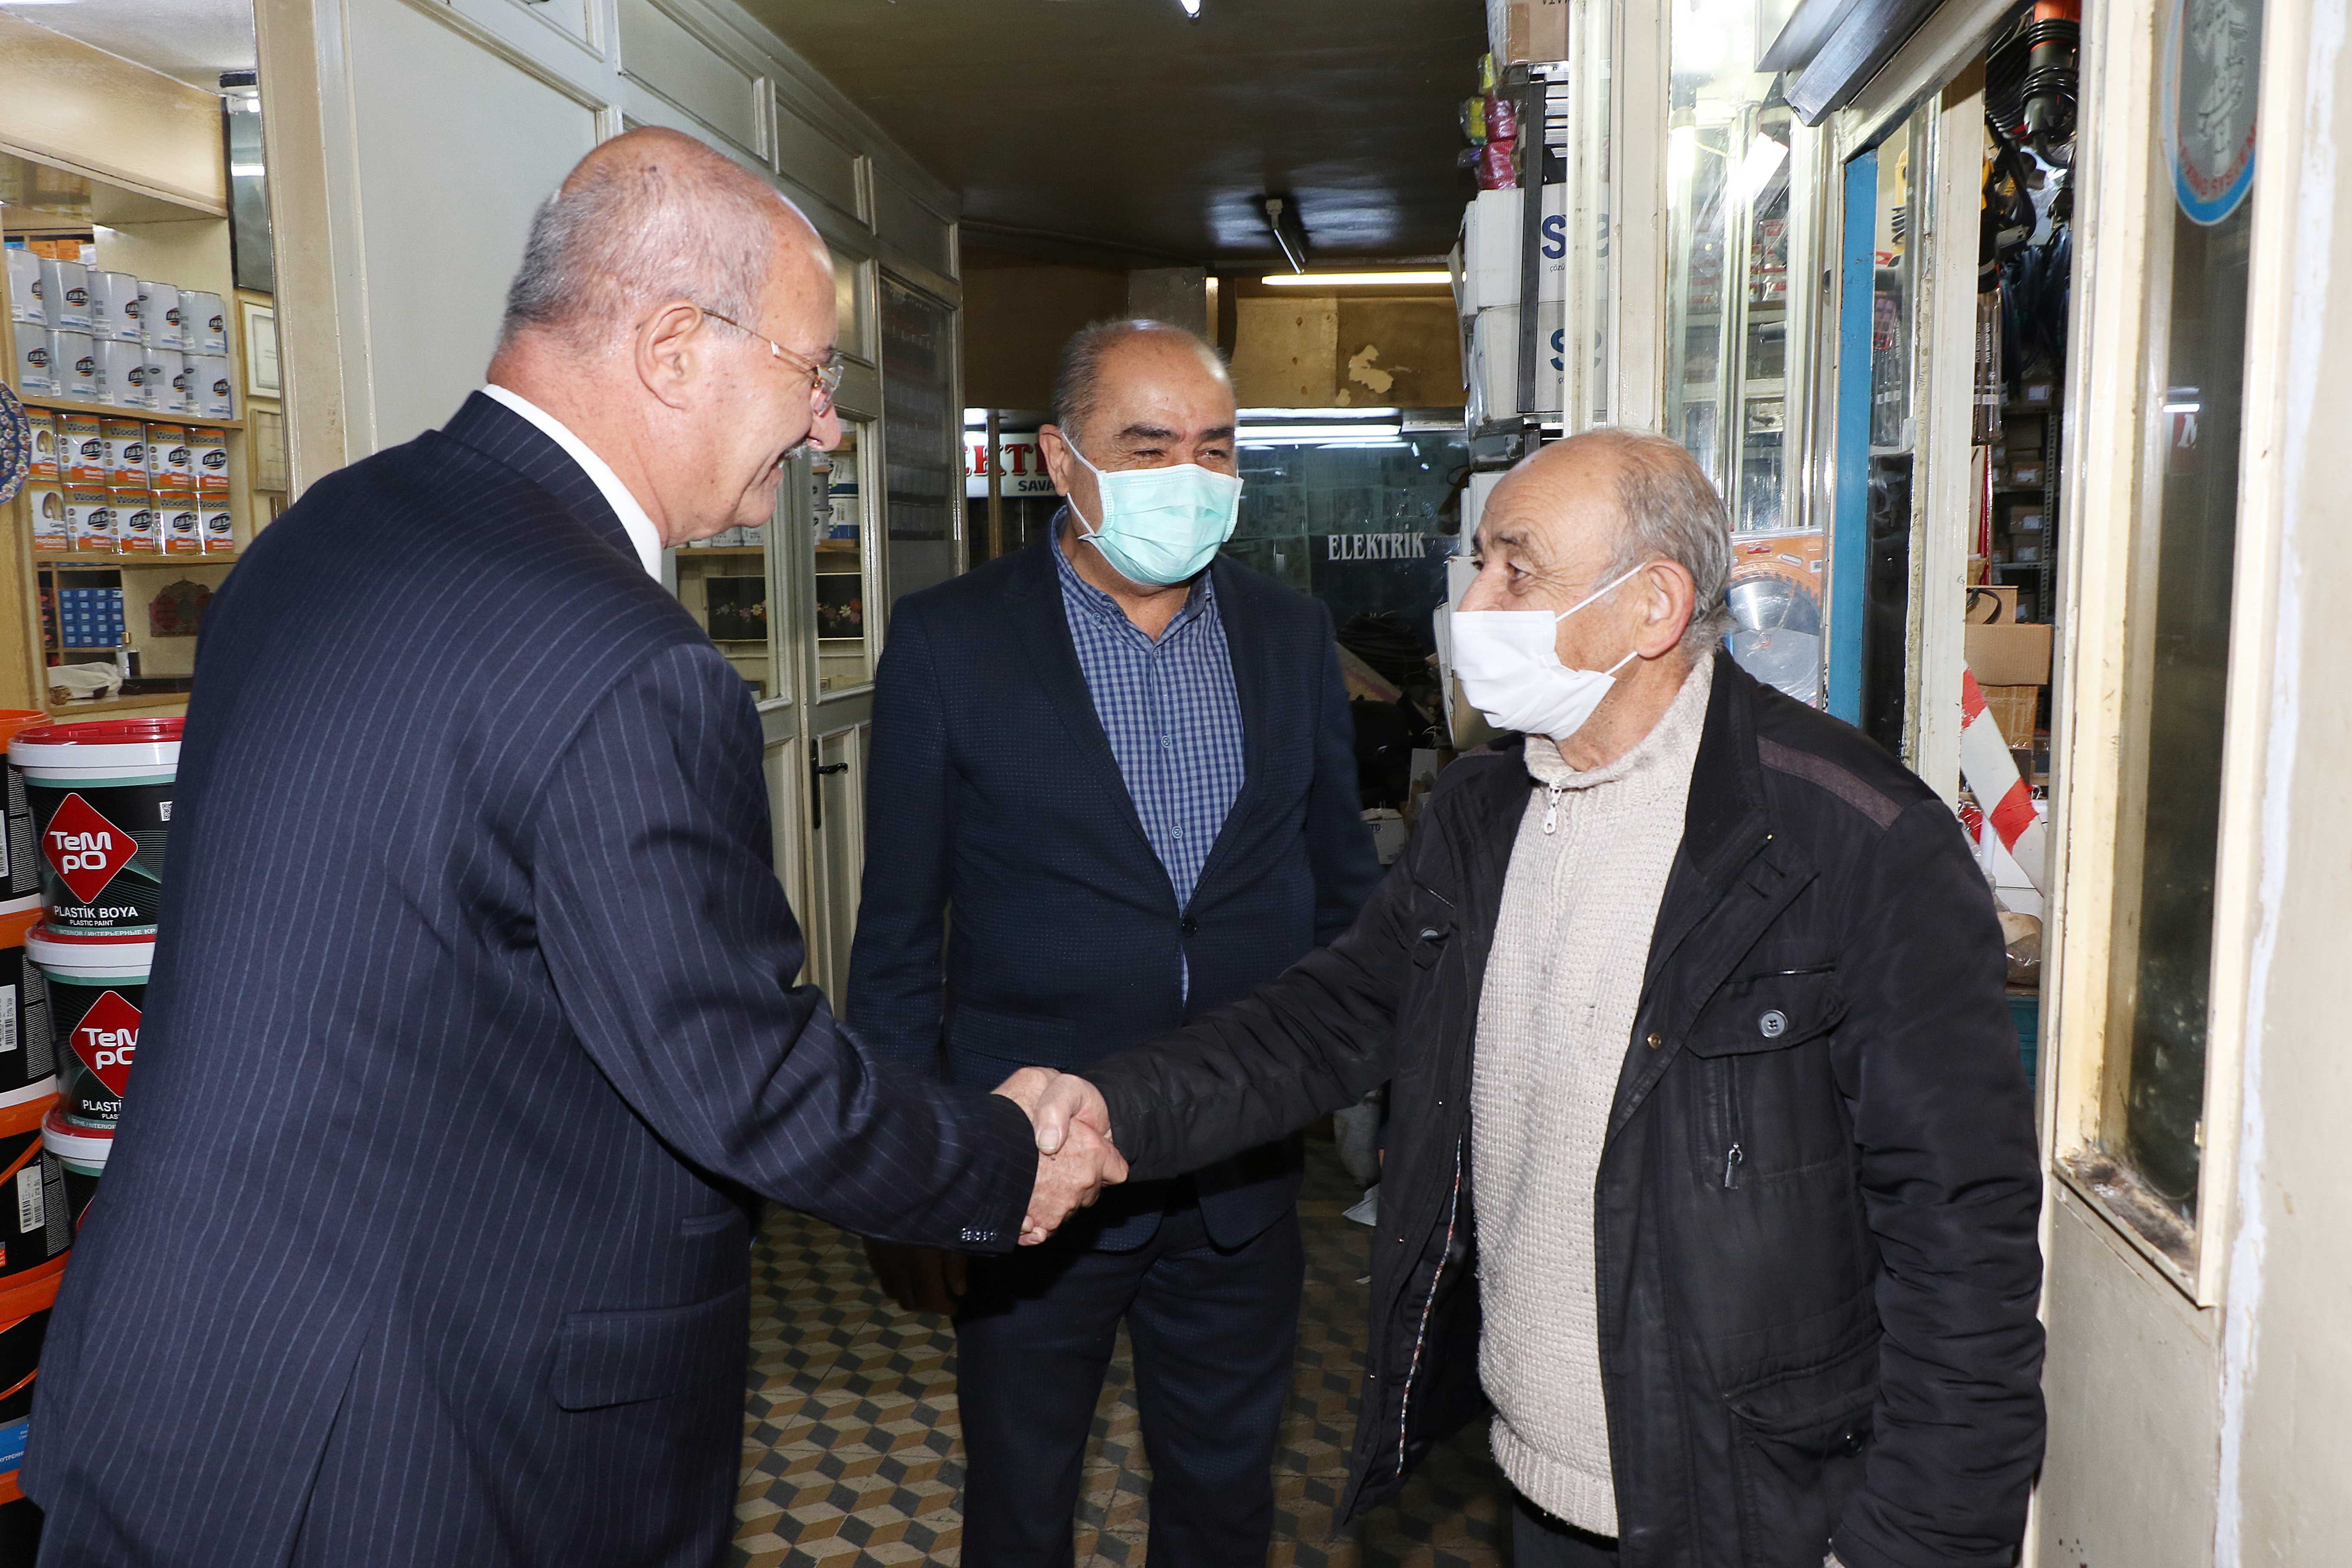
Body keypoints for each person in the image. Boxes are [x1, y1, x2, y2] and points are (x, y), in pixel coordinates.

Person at [21, 128, 1122, 1568]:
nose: (825, 431)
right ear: (673, 347)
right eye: (811, 375)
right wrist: (999, 1158)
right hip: (410, 1454)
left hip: (178, 1388)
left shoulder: (323, 530)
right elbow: (741, 1073)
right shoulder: (626, 660)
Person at [1035, 429, 2047, 1568]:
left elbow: (1961, 1237)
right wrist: (1109, 1108)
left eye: (1517, 570)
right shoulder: (1484, 814)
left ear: (1652, 606)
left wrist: (1915, 1546)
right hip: (1541, 1488)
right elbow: (1325, 1022)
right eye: (1480, 563)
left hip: (1754, 1506)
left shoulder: (1853, 841)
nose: (1474, 603)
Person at [847, 319, 1381, 1565]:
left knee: (1224, 1500)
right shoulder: (951, 641)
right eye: (1149, 448)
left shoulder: (1290, 635)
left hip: (1240, 1172)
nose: (1189, 477)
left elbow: (1346, 898)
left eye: (1215, 448)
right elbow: (898, 937)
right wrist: (907, 1185)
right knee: (1022, 1502)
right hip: (1032, 1179)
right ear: (1059, 459)